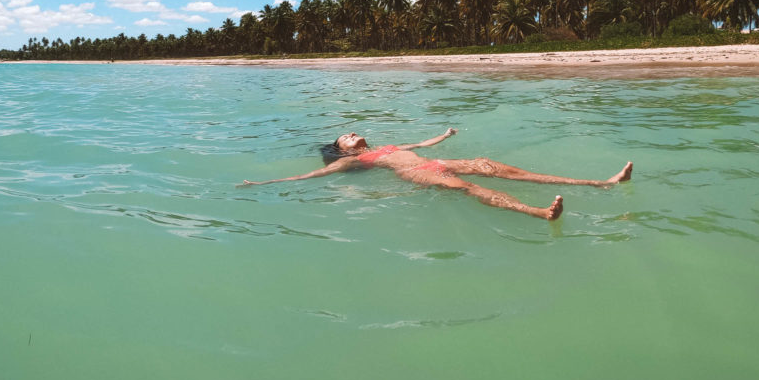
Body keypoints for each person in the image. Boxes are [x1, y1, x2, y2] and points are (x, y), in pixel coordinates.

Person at [243, 128, 632, 220]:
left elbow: (425, 145)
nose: (352, 134)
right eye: (345, 136)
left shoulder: (392, 145)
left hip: (437, 161)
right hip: (423, 176)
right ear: (341, 149)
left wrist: (444, 135)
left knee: (497, 167)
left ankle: (601, 182)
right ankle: (539, 213)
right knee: (468, 186)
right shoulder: (353, 162)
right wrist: (265, 183)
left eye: (353, 131)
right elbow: (311, 176)